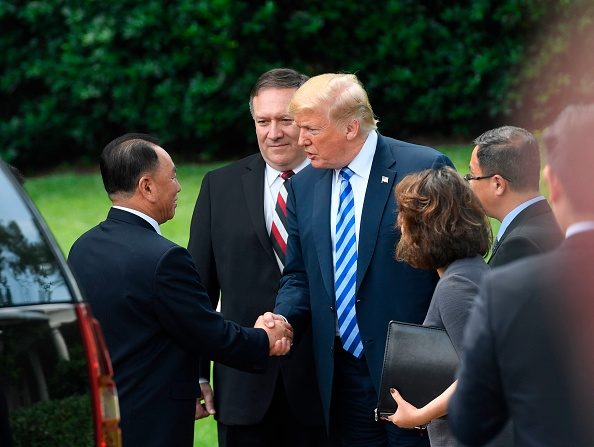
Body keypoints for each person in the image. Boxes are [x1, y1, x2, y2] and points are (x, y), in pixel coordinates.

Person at [67, 134, 293, 447]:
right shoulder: (164, 258)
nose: (178, 186)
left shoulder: (83, 247)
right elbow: (206, 332)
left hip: (107, 412)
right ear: (147, 187)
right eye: (172, 176)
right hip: (154, 418)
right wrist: (264, 339)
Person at [271, 73, 454, 446]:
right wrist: (283, 318)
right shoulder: (303, 186)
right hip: (342, 376)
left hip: (417, 370)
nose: (299, 139)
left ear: (352, 127)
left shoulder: (422, 169)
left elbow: (455, 267)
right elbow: (299, 276)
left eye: (311, 129)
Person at [187, 68, 327, 446]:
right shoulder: (220, 186)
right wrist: (198, 373)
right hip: (241, 387)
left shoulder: (337, 183)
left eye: (286, 120)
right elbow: (198, 289)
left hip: (323, 385)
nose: (274, 132)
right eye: (262, 121)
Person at [448, 104, 594, 446]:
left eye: (471, 176)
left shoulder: (514, 271)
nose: (468, 184)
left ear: (553, 184)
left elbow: (471, 420)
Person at [382, 166, 491, 446]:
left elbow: (482, 373)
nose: (399, 225)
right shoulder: (472, 270)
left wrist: (418, 416)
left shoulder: (455, 287)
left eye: (405, 217)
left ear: (426, 226)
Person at [465, 126, 562, 266]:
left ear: (498, 184)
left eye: (472, 175)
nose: (469, 183)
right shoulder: (556, 223)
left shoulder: (518, 246)